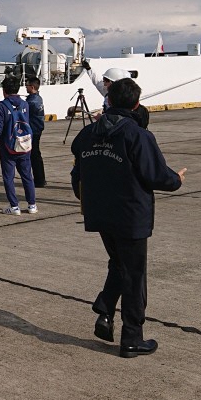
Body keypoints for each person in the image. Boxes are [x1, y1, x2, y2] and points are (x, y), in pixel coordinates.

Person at [71, 77, 186, 358]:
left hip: (100, 213)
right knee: (134, 275)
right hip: (130, 215)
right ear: (136, 104)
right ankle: (132, 337)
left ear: (108, 101)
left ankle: (106, 309)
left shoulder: (86, 135)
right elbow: (157, 175)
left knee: (119, 264)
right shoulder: (138, 136)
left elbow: (78, 175)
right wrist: (176, 179)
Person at [0, 76, 37, 215]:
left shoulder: (1, 106)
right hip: (25, 144)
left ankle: (14, 206)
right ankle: (32, 205)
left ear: (4, 90)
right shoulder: (25, 104)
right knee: (27, 176)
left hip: (8, 146)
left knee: (8, 177)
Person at [24, 76, 47, 187]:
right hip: (37, 129)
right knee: (35, 155)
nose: (25, 87)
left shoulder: (32, 101)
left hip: (33, 130)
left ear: (32, 87)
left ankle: (39, 180)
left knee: (34, 155)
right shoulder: (38, 98)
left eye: (27, 85)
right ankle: (40, 179)